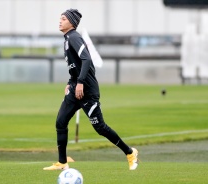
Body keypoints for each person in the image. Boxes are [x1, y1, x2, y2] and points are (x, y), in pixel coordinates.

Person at [43, 9, 138, 171]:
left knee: (100, 127)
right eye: (60, 18)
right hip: (75, 88)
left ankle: (130, 152)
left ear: (71, 23)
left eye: (63, 19)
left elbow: (86, 59)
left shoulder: (74, 37)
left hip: (87, 90)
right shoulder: (67, 39)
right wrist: (71, 82)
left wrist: (80, 83)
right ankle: (62, 162)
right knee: (61, 121)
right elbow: (75, 66)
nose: (60, 21)